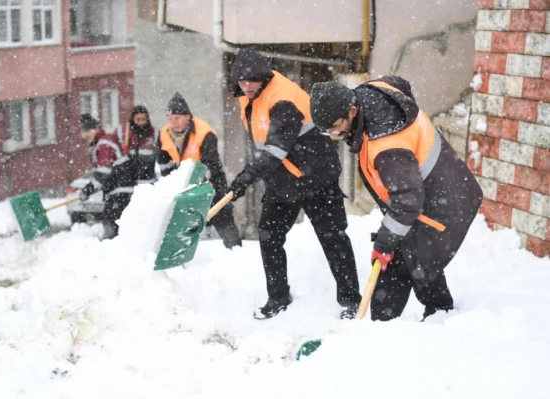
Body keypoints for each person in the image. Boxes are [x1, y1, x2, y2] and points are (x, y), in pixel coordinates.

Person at [309, 76, 483, 321]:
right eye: (326, 129)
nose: (333, 133)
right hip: (445, 186)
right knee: (416, 255)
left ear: (352, 110)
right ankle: (438, 314)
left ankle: (387, 327)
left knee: (403, 259)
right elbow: (400, 83)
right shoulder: (372, 91)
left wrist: (383, 244)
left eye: (335, 125)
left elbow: (408, 202)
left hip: (444, 204)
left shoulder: (387, 147)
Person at [227, 48, 361, 320]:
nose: (246, 85)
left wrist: (246, 178)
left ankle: (351, 301)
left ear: (263, 77)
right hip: (283, 181)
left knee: (333, 238)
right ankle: (278, 297)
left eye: (251, 80)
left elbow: (275, 150)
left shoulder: (283, 99)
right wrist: (254, 176)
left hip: (317, 178)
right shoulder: (248, 97)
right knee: (269, 237)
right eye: (241, 81)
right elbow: (266, 145)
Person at [156, 92, 242, 249]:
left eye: (177, 118)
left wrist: (199, 188)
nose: (173, 123)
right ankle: (180, 256)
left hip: (211, 183)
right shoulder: (164, 134)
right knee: (177, 222)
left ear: (187, 117)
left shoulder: (204, 133)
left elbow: (212, 166)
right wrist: (173, 184)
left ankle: (235, 251)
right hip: (183, 186)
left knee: (222, 218)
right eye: (170, 119)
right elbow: (163, 164)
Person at [78, 113, 131, 239]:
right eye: (84, 131)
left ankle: (115, 250)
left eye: (88, 130)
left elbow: (103, 174)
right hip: (117, 190)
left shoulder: (104, 144)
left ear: (96, 129)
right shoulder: (102, 142)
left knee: (113, 223)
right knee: (112, 221)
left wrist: (87, 189)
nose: (85, 134)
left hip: (121, 191)